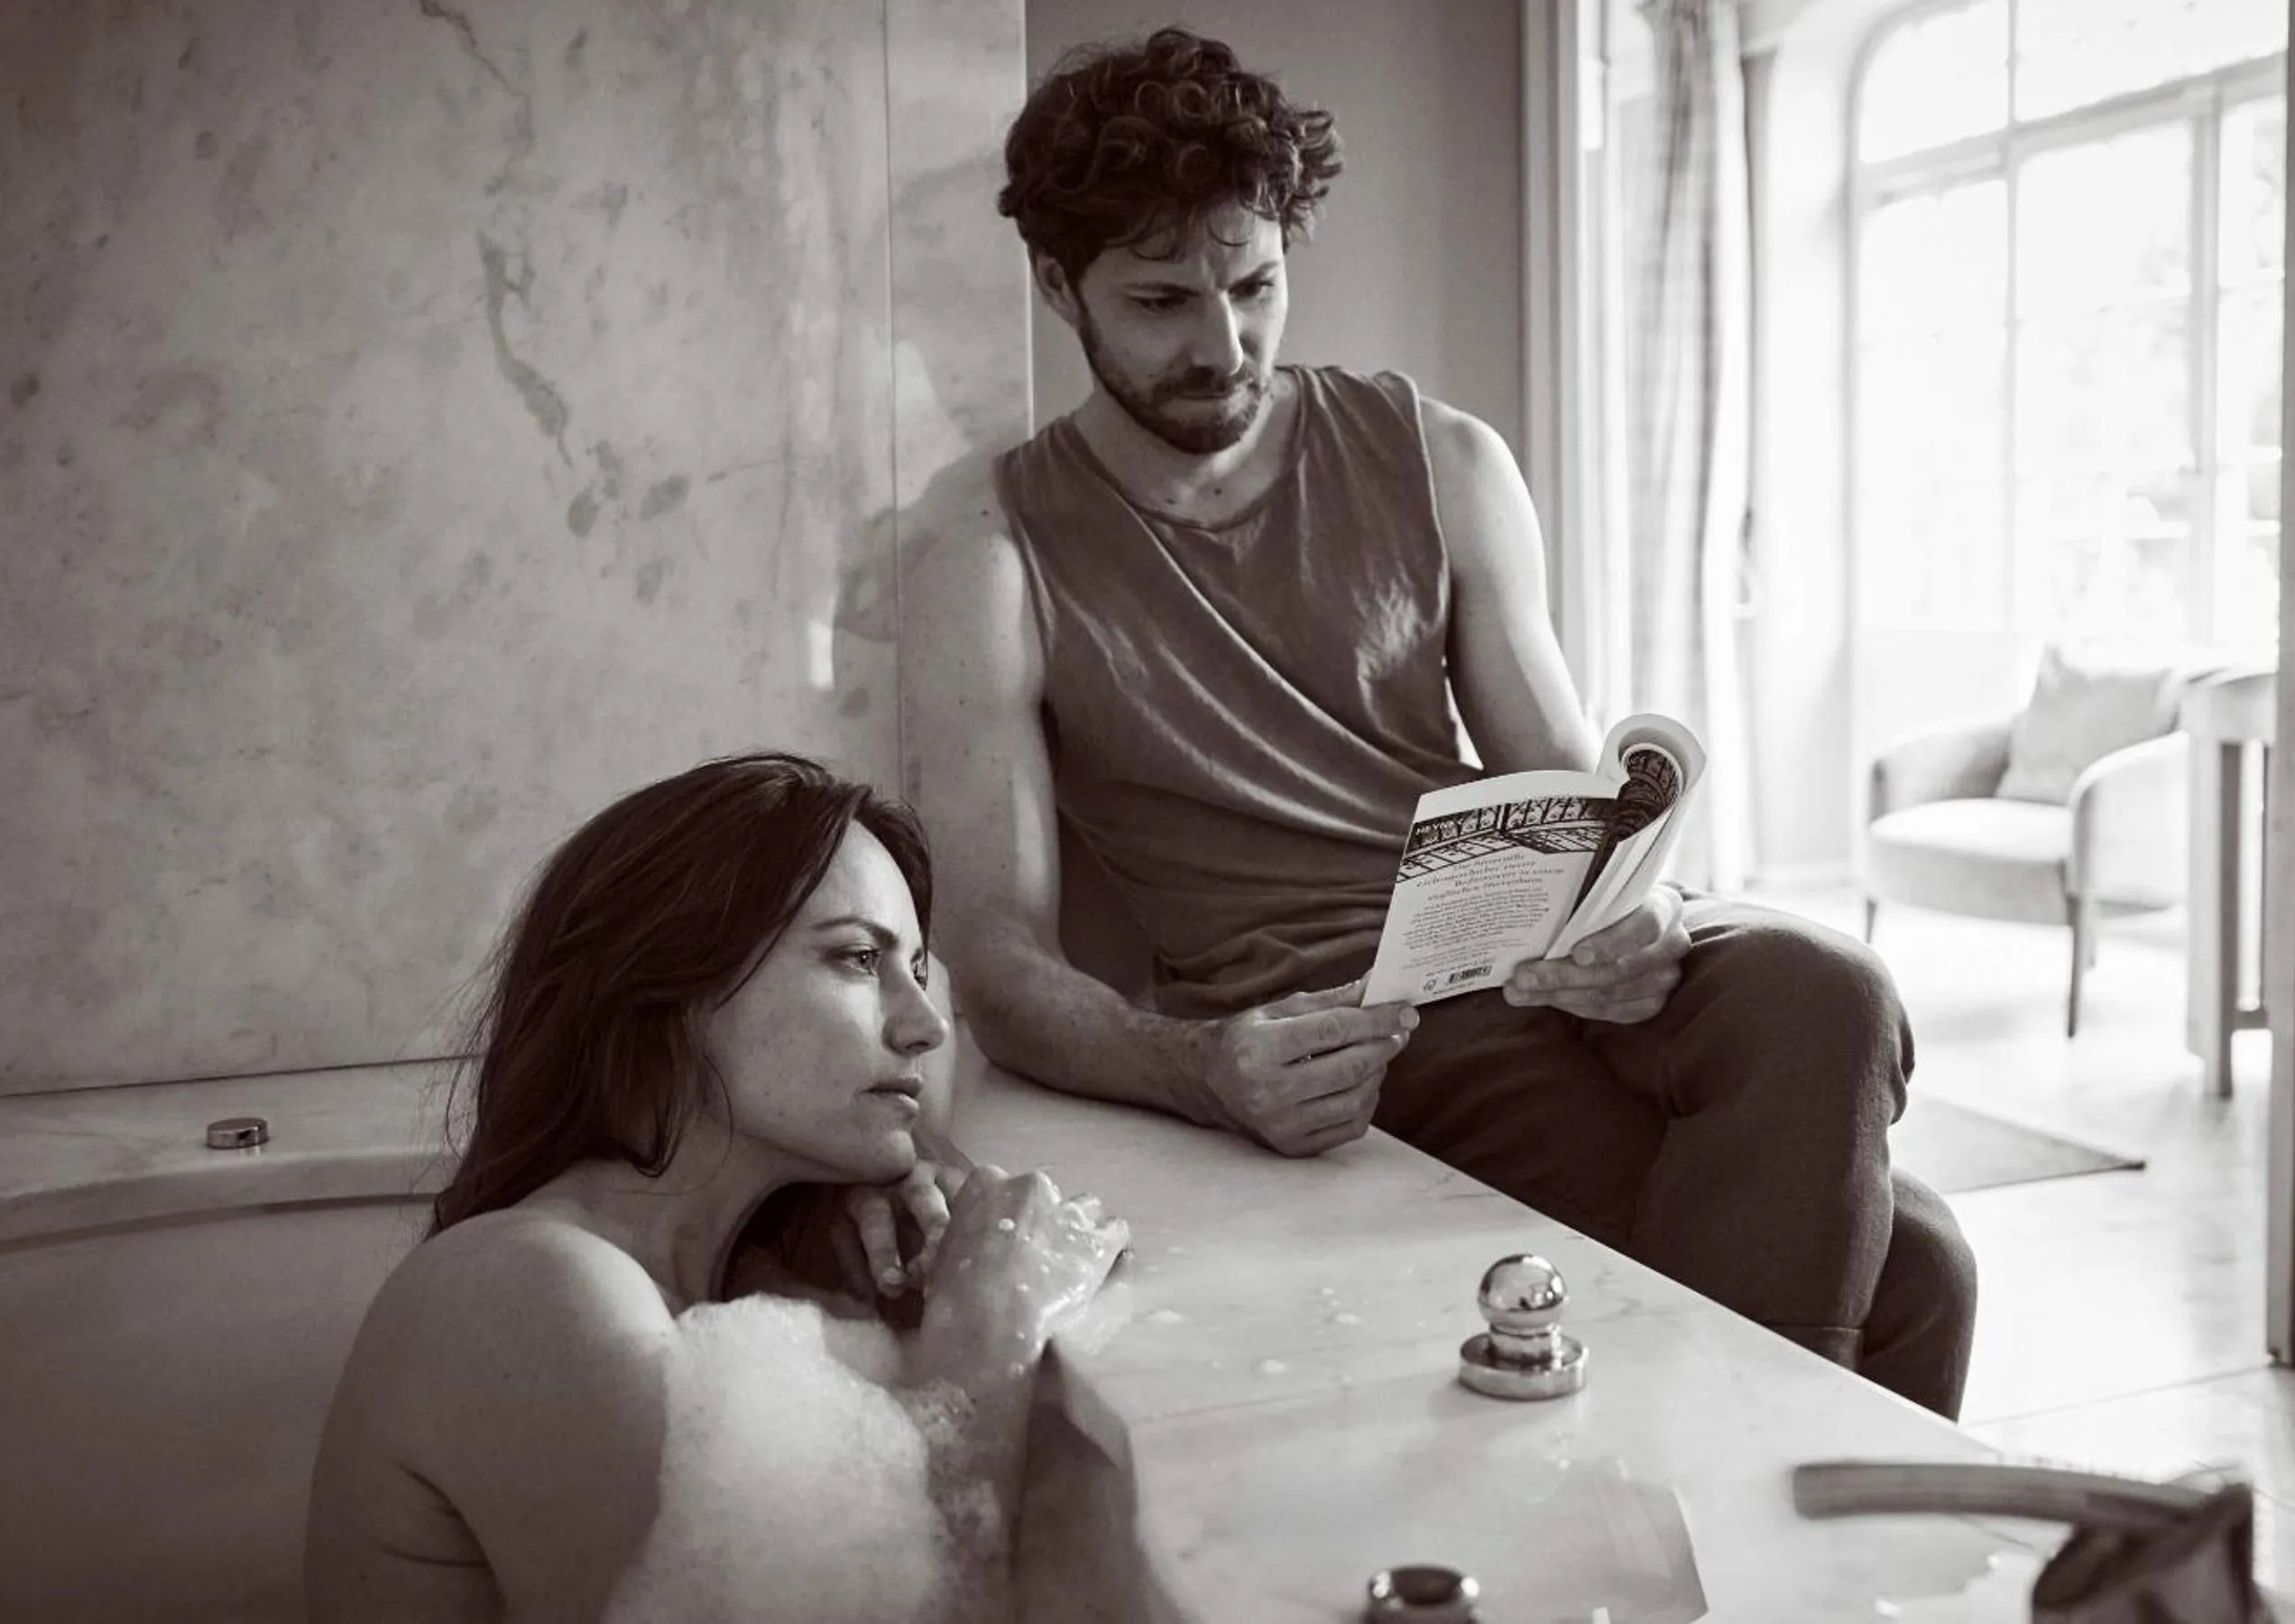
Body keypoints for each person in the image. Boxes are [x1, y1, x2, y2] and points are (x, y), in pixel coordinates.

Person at [903, 28, 1977, 1418]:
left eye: (1253, 285)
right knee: (1922, 1270)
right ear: (1061, 288)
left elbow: (1569, 794)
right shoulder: (988, 553)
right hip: (1371, 1028)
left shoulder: (1442, 457)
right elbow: (990, 959)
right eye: (1162, 301)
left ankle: (1712, 1498)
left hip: (1534, 959)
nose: (1220, 346)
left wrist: (1623, 917)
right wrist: (1202, 1069)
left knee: (1830, 985)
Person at [305, 752, 1128, 1622]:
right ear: (671, 983)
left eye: (917, 971)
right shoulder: (523, 1286)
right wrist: (985, 1331)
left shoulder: (714, 1288)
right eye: (858, 958)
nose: (923, 1024)